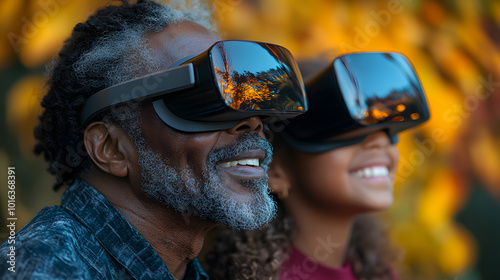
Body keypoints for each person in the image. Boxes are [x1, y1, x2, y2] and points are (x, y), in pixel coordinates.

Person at [0, 1, 309, 279]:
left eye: (249, 101)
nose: (253, 123)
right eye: (202, 100)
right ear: (111, 149)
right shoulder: (48, 268)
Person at [205, 52, 430, 279]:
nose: (379, 141)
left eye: (387, 130)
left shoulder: (376, 272)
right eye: (342, 130)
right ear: (273, 170)